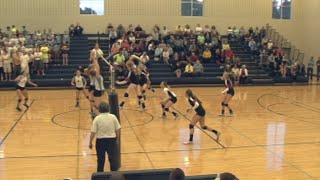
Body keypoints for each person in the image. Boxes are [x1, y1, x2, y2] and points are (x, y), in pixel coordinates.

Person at [89, 102, 121, 172]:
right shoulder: (113, 117)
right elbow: (117, 129)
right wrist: (117, 140)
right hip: (112, 140)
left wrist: (90, 142)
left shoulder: (97, 118)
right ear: (108, 108)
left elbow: (93, 132)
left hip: (100, 141)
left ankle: (100, 176)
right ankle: (114, 175)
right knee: (113, 159)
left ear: (99, 109)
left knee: (100, 160)